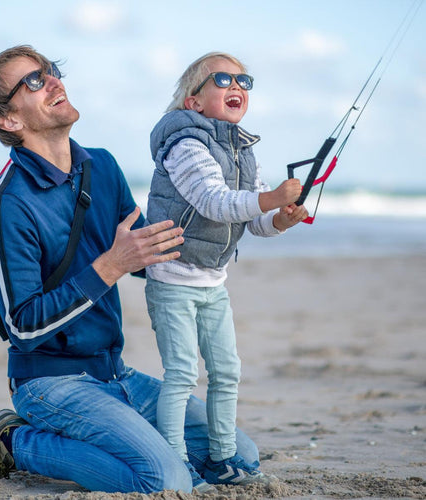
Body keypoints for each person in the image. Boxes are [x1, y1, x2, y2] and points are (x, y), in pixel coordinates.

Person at [0, 45, 265, 495]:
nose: (54, 82)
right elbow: (22, 326)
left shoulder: (101, 166)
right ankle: (15, 441)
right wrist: (109, 266)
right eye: (34, 82)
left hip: (115, 373)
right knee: (165, 480)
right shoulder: (9, 202)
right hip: (48, 382)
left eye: (52, 72)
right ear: (9, 120)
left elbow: (145, 252)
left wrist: (249, 216)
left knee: (237, 457)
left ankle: (114, 435)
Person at [144, 52, 308, 490]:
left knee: (227, 370)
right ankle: (177, 462)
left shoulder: (241, 149)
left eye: (244, 80)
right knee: (180, 373)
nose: (237, 86)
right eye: (222, 79)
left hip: (214, 283)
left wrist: (279, 218)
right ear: (194, 102)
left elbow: (250, 220)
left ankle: (222, 456)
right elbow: (214, 202)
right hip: (174, 279)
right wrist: (271, 198)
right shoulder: (185, 145)